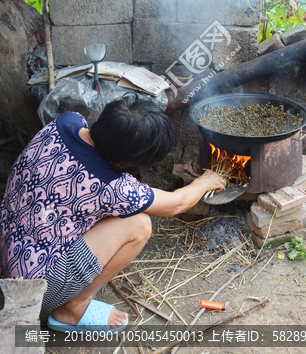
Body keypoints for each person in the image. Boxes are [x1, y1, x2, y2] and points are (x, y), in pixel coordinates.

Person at [0, 96, 225, 332]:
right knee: (139, 225)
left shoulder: (65, 122)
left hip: (8, 250)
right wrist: (204, 182)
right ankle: (72, 309)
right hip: (35, 285)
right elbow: (176, 204)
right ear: (124, 160)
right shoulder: (113, 187)